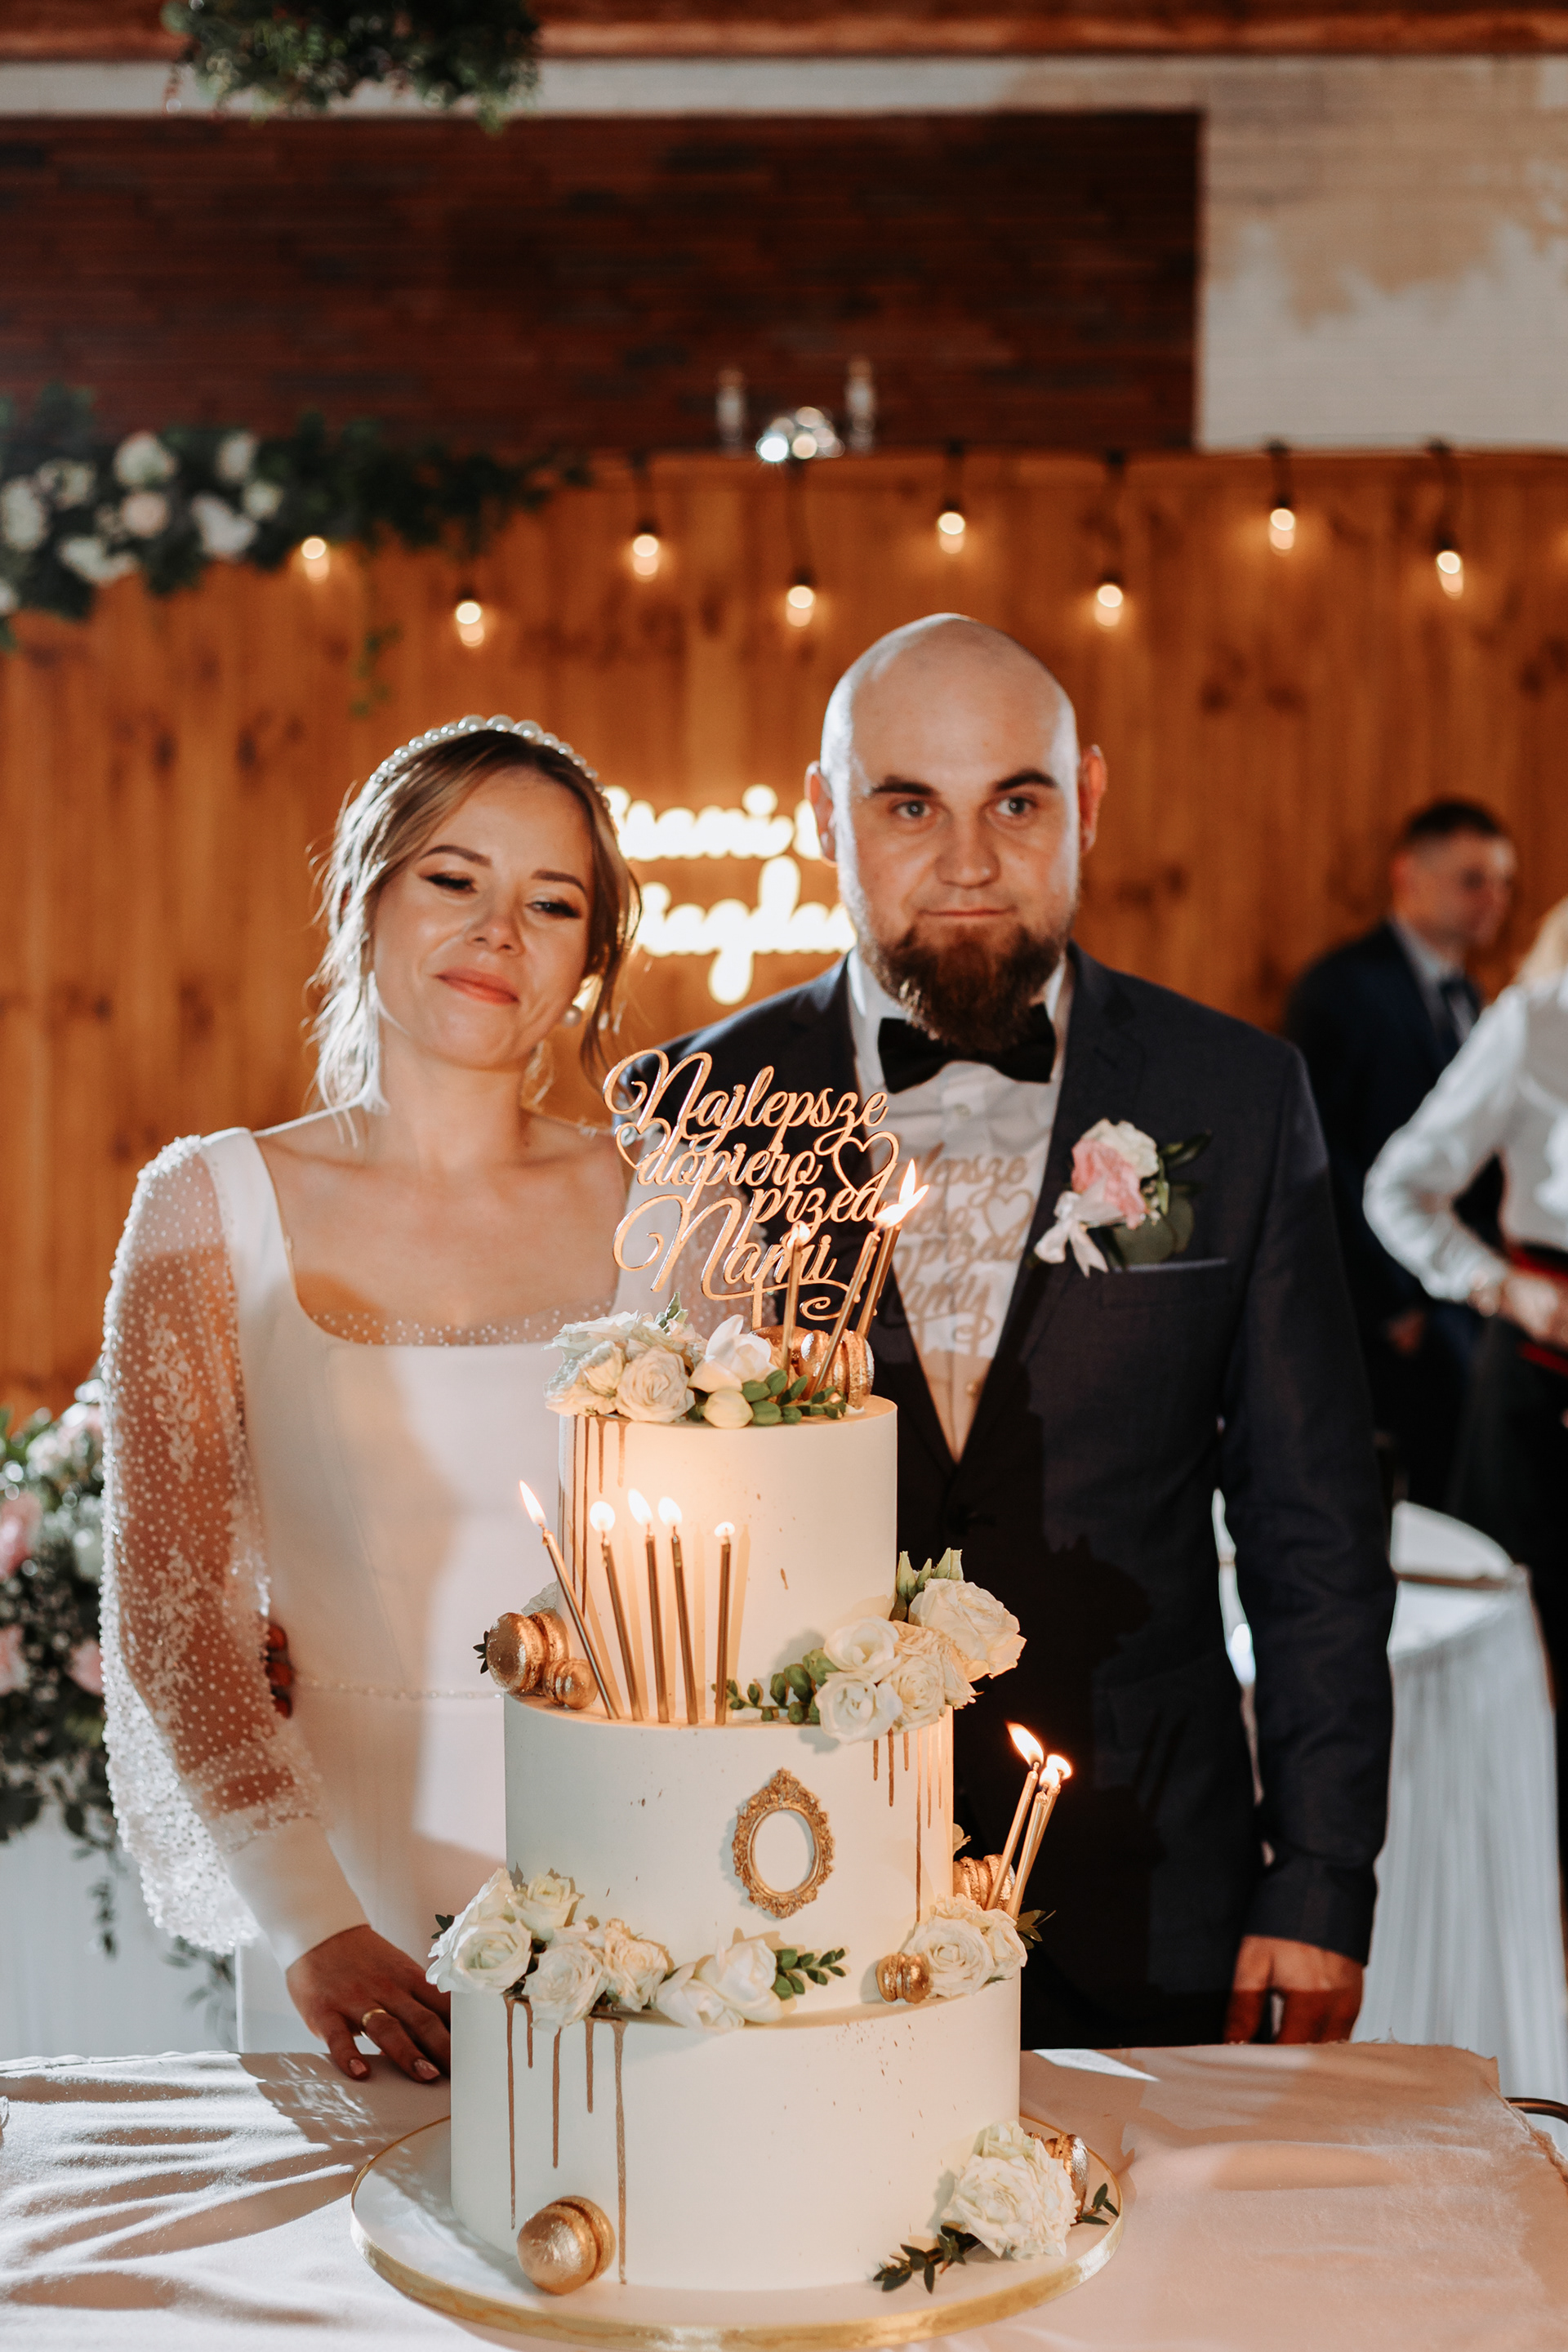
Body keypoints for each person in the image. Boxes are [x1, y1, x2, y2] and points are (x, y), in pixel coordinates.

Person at [644, 615, 1394, 2049]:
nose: (969, 861)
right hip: (789, 1876)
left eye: (1016, 802)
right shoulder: (695, 1107)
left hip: (1152, 1868)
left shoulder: (1235, 1097)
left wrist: (1321, 1878)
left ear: (1088, 802)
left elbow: (1314, 1531)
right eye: (908, 806)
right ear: (824, 816)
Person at [100, 716, 639, 2078]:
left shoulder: (669, 1208)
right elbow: (170, 1607)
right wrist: (310, 1921)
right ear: (362, 895)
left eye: (553, 903)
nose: (499, 931)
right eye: (454, 879)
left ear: (591, 957)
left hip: (631, 1868)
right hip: (339, 1890)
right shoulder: (206, 1205)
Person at [1365, 953, 1568, 1877]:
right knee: (1520, 1662)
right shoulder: (1538, 1019)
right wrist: (1499, 1285)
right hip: (1542, 1378)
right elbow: (1396, 1187)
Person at [1285, 802, 1516, 1509]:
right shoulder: (1342, 988)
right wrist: (1386, 1301)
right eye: (1473, 880)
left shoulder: (1471, 995)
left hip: (1461, 1292)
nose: (1494, 899)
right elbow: (1318, 1152)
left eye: (1505, 883)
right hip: (1383, 1302)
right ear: (1409, 876)